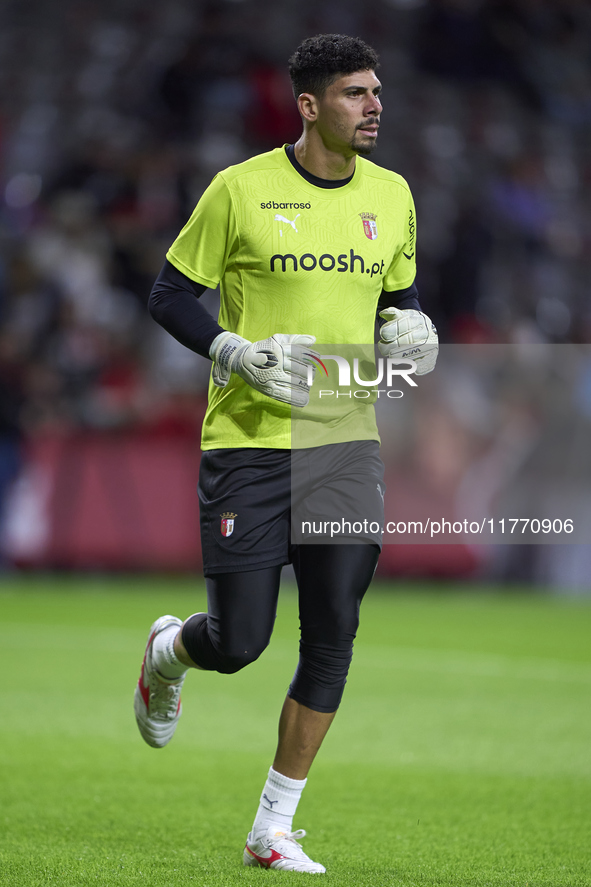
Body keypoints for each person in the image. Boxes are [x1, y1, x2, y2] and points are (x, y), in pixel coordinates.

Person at [135, 33, 438, 874]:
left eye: (376, 92)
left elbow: (397, 302)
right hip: (250, 440)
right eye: (354, 94)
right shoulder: (239, 189)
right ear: (308, 106)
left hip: (345, 440)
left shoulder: (394, 195)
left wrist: (412, 329)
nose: (373, 106)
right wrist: (233, 351)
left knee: (333, 631)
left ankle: (271, 827)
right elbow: (168, 294)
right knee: (239, 643)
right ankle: (168, 653)